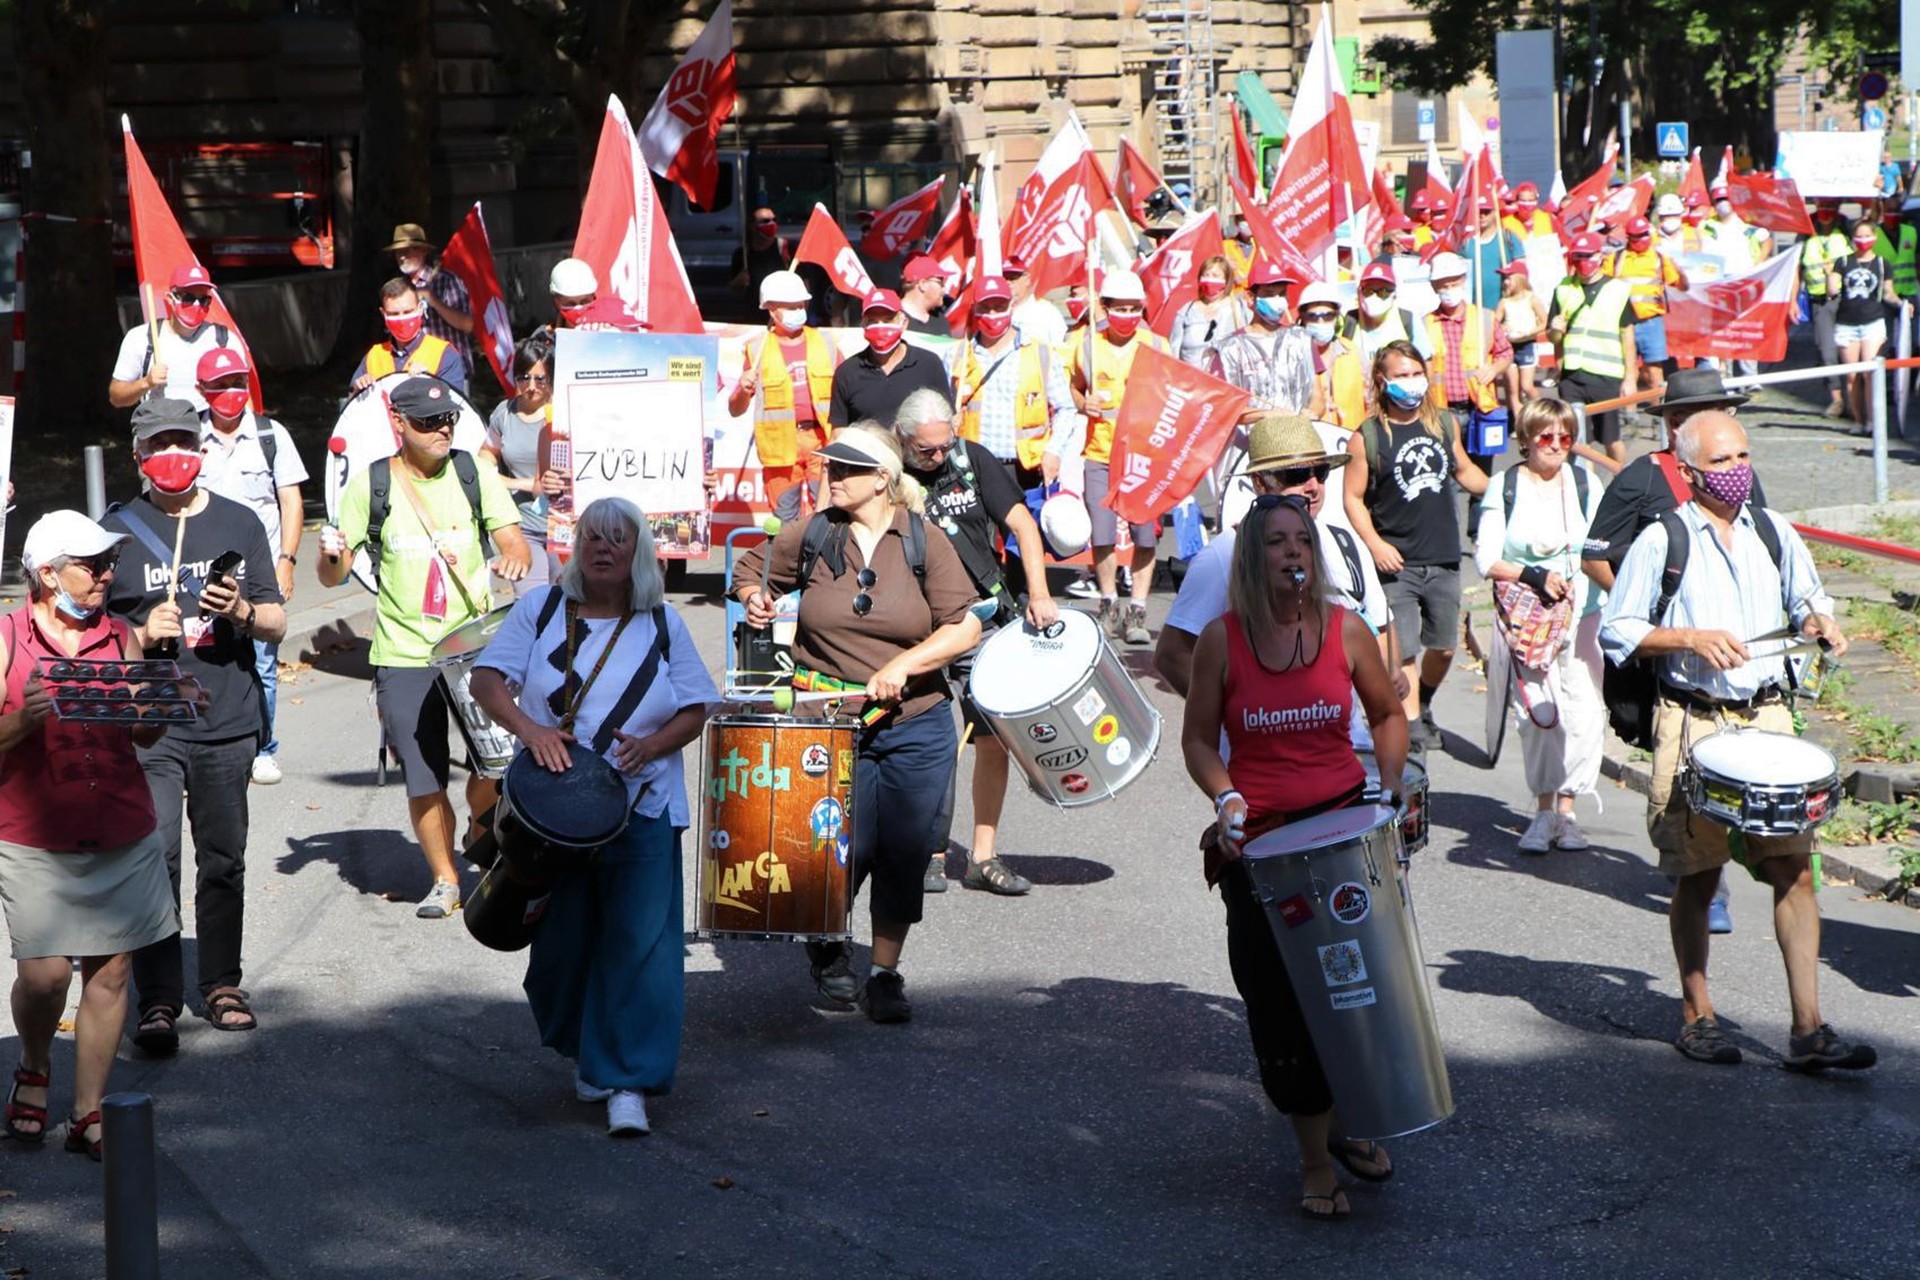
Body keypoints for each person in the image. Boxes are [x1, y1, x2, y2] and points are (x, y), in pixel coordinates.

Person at [1598, 411, 1873, 1073]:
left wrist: (1820, 622)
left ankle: (1808, 1030)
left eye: (1744, 454)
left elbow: (1811, 598)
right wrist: (1690, 638)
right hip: (1694, 721)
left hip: (1768, 718)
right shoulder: (1663, 539)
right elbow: (1618, 629)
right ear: (1689, 470)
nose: (1738, 469)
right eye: (1722, 461)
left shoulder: (1774, 531)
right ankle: (1698, 1015)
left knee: (1793, 872)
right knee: (1698, 873)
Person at [1180, 493, 1409, 1221]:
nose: (1291, 554)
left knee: (1351, 996)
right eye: (1276, 542)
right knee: (1279, 1007)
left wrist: (1394, 789)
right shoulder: (1221, 640)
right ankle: (1315, 1161)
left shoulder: (1347, 632)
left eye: (1301, 542)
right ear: (1252, 558)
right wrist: (1225, 798)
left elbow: (1387, 713)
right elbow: (1196, 740)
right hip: (1260, 849)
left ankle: (1341, 1118)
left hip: (1342, 839)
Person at [470, 498, 717, 1137]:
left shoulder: (661, 622)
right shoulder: (542, 609)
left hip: (644, 806)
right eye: (592, 537)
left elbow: (696, 705)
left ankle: (626, 1081)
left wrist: (654, 746)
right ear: (576, 546)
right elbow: (487, 679)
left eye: (617, 539)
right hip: (553, 815)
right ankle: (586, 1046)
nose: (603, 548)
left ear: (638, 553)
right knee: (561, 945)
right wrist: (530, 731)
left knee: (640, 946)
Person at [733, 425, 984, 1022]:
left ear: (882, 480)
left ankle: (885, 973)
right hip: (828, 722)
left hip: (915, 721)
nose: (832, 477)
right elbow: (749, 568)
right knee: (838, 846)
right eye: (830, 467)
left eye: (845, 469)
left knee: (902, 850)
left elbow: (966, 625)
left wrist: (905, 665)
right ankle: (827, 945)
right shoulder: (817, 531)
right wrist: (753, 597)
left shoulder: (924, 541)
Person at [103, 398, 288, 1050]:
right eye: (160, 444)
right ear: (137, 455)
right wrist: (134, 630)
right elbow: (85, 629)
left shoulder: (238, 522)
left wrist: (239, 608)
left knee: (223, 860)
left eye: (183, 440)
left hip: (227, 716)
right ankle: (156, 999)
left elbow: (277, 620)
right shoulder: (116, 530)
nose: (173, 454)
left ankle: (220, 982)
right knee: (155, 859)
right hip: (150, 725)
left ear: (202, 448)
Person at [0, 512, 184, 1161]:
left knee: (110, 973)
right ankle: (33, 1060)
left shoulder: (121, 636)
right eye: (93, 563)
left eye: (109, 563)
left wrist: (160, 710)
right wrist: (21, 718)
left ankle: (87, 1113)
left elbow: (142, 733)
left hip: (119, 824)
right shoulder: (6, 637)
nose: (107, 574)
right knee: (47, 976)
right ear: (48, 573)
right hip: (33, 831)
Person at [317, 375, 532, 918]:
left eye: (448, 421)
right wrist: (331, 554)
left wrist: (513, 559)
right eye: (427, 423)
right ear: (398, 425)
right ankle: (445, 878)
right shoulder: (372, 485)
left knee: (498, 765)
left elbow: (515, 542)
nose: (442, 431)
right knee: (424, 775)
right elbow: (333, 575)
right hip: (403, 653)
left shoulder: (472, 471)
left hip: (474, 648)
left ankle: (481, 821)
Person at [1580, 366, 1763, 934]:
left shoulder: (1740, 474)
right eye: (1689, 413)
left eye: (1720, 410)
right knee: (1685, 768)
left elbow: (1762, 545)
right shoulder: (1641, 477)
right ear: (1672, 424)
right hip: (1668, 659)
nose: (1710, 423)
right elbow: (1594, 556)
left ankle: (1715, 866)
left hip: (1733, 657)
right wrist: (1646, 610)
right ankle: (1708, 884)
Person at [895, 390, 1058, 896]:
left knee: (992, 739)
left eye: (944, 446)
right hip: (916, 627)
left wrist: (1039, 592)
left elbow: (1022, 526)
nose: (938, 458)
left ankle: (982, 857)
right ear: (903, 441)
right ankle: (928, 851)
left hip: (982, 620)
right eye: (926, 451)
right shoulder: (888, 473)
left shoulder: (970, 459)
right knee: (932, 741)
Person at [1157, 414, 1396, 701]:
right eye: (1295, 475)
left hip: (1347, 741)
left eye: (1320, 472)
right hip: (1259, 745)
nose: (1313, 486)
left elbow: (1382, 633)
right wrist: (1230, 718)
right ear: (1260, 483)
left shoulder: (1346, 543)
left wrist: (1381, 708)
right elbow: (1172, 655)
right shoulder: (1225, 554)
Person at [1343, 341, 1490, 749]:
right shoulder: (1367, 437)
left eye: (1416, 373)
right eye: (1401, 376)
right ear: (1382, 381)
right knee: (1403, 651)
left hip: (1443, 557)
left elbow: (1464, 470)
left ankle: (1422, 701)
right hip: (1396, 563)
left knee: (1443, 648)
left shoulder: (1443, 424)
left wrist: (1503, 492)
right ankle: (1410, 727)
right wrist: (1374, 544)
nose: (1412, 383)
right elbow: (1352, 497)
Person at [1474, 399, 1606, 853]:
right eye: (1545, 437)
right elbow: (1486, 558)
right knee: (1540, 717)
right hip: (1530, 618)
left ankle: (1568, 811)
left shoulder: (1587, 483)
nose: (1555, 446)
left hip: (1585, 613)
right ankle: (1543, 809)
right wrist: (1533, 575)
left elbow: (1603, 547)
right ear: (1526, 439)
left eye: (1565, 438)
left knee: (1584, 712)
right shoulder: (1504, 485)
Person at [193, 347, 307, 787]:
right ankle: (205, 746)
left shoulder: (270, 434)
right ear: (203, 390)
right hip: (202, 573)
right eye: (219, 386)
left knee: (262, 663)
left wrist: (287, 561)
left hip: (260, 572)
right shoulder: (190, 437)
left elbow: (291, 501)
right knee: (203, 658)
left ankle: (263, 748)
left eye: (237, 383)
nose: (230, 393)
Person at [1070, 268, 1169, 646]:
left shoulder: (1157, 346)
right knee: (1103, 533)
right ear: (1104, 307)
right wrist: (1084, 403)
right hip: (1100, 453)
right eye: (1119, 308)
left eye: (1134, 309)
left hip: (1144, 456)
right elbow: (1075, 388)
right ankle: (1109, 602)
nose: (1127, 315)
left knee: (1145, 535)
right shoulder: (1087, 344)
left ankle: (1138, 609)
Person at [945, 274, 1080, 489]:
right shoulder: (957, 355)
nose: (992, 314)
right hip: (972, 467)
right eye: (985, 307)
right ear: (974, 309)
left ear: (1012, 306)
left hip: (1024, 470)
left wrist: (1054, 451)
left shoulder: (1040, 352)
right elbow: (945, 408)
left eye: (999, 307)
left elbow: (1066, 408)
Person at [730, 269, 841, 521]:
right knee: (784, 523)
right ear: (771, 310)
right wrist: (742, 390)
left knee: (829, 516)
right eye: (789, 307)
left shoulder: (826, 342)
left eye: (800, 305)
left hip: (822, 443)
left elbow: (847, 390)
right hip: (780, 449)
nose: (797, 311)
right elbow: (735, 409)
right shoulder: (757, 349)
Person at [1424, 251, 1513, 539]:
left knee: (1480, 472)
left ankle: (1478, 533)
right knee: (1446, 475)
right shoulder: (1427, 323)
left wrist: (1496, 367)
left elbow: (1505, 351)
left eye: (1452, 283)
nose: (1448, 290)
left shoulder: (1483, 319)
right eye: (1442, 285)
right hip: (1443, 410)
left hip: (1479, 409)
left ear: (1463, 281)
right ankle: (1447, 532)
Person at [481, 335, 565, 594]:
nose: (531, 386)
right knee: (532, 603)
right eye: (523, 378)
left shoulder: (565, 413)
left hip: (564, 526)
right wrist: (522, 483)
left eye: (540, 379)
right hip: (524, 523)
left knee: (568, 605)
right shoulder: (504, 414)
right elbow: (485, 457)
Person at [1547, 232, 1638, 466]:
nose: (1583, 262)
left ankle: (1620, 479)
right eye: (1577, 257)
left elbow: (1627, 336)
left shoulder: (1617, 290)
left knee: (1611, 439)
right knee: (1576, 439)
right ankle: (1585, 491)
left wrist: (1630, 379)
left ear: (1600, 256)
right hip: (1572, 377)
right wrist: (1555, 330)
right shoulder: (1563, 289)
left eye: (1587, 256)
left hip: (1606, 376)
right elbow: (1554, 336)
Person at [109, 264, 234, 412]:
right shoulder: (141, 338)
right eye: (188, 298)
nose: (196, 304)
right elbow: (116, 397)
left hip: (205, 430)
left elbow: (242, 393)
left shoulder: (224, 340)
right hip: (159, 430)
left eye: (203, 300)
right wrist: (146, 383)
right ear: (170, 298)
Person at [829, 288, 949, 432]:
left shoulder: (929, 364)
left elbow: (947, 421)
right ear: (863, 325)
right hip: (869, 453)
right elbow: (839, 433)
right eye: (873, 321)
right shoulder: (846, 373)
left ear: (904, 322)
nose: (880, 326)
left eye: (888, 320)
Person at [1604, 216, 1688, 400]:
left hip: (1651, 322)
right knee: (1628, 371)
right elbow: (1603, 284)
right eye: (1637, 236)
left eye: (1645, 235)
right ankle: (1630, 414)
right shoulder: (1616, 258)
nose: (1642, 239)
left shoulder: (1659, 257)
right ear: (1629, 237)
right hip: (1624, 322)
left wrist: (1683, 274)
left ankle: (1657, 413)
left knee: (1654, 372)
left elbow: (1680, 285)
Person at [351, 278, 469, 396]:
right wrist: (359, 389)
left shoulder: (444, 354)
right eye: (394, 314)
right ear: (384, 314)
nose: (402, 319)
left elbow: (453, 406)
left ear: (420, 309)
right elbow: (352, 406)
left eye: (408, 312)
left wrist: (431, 384)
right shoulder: (374, 355)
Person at [1830, 222, 1896, 429]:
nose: (1863, 240)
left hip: (1873, 322)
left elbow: (1888, 293)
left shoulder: (1883, 264)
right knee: (1852, 376)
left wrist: (1903, 305)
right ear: (1853, 239)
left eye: (1867, 235)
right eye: (1859, 236)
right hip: (1846, 323)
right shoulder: (1843, 262)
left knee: (1870, 372)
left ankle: (1872, 420)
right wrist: (1830, 283)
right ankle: (1857, 419)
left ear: (1874, 237)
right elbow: (1833, 286)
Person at [386, 222, 475, 371]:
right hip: (414, 371)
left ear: (423, 251)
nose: (402, 257)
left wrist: (434, 301)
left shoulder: (446, 280)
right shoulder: (399, 288)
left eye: (408, 250)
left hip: (450, 371)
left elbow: (468, 325)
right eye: (398, 252)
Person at [1800, 201, 1852, 419]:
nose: (1826, 214)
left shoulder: (1847, 231)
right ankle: (1837, 400)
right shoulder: (1806, 236)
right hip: (1819, 301)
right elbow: (1797, 268)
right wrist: (1794, 299)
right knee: (1826, 351)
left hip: (1845, 300)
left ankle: (1852, 400)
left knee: (1848, 351)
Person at [1300, 283, 1369, 432]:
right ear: (1302, 318)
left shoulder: (1352, 351)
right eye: (1313, 316)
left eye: (1328, 316)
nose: (1320, 322)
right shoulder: (1294, 355)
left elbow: (1370, 399)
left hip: (1352, 439)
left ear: (1337, 317)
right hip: (1313, 442)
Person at [1347, 261, 1434, 367]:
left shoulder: (1408, 319)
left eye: (1383, 292)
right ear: (1359, 292)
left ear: (1394, 294)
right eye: (1368, 291)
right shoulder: (1349, 321)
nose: (1374, 297)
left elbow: (1426, 362)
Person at [1169, 254, 1249, 366]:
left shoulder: (1239, 309)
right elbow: (1173, 353)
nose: (1210, 280)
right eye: (1206, 275)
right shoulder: (1186, 311)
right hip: (1192, 379)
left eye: (1215, 276)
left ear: (1226, 281)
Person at [547, 257, 647, 333]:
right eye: (571, 303)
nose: (578, 308)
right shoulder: (546, 338)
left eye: (584, 301)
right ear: (557, 301)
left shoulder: (609, 329)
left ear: (593, 297)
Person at [1495, 262, 1548, 404]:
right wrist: (1501, 329)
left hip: (1527, 345)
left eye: (1509, 277)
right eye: (1504, 278)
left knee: (1526, 386)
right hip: (1509, 346)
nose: (1506, 282)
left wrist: (1529, 332)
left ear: (1520, 278)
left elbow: (1544, 322)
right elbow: (1495, 323)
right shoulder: (1504, 301)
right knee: (1513, 389)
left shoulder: (1532, 298)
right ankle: (1517, 420)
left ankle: (1542, 408)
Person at [1463, 195, 1525, 309]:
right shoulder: (1466, 242)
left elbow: (1521, 274)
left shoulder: (1508, 238)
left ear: (1495, 212)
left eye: (1487, 212)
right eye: (1479, 212)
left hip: (1504, 308)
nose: (1482, 216)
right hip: (1472, 309)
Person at [730, 206, 796, 299]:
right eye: (765, 221)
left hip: (781, 308)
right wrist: (739, 281)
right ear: (752, 226)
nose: (771, 224)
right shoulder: (742, 254)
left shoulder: (787, 248)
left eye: (774, 220)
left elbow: (804, 280)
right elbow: (735, 289)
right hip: (754, 310)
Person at [1004, 255, 1067, 348]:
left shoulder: (1047, 312)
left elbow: (1060, 353)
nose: (1008, 282)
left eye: (1012, 277)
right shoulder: (993, 313)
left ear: (1027, 280)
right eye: (1003, 278)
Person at [899, 255, 949, 335]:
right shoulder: (892, 319)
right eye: (940, 283)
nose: (944, 289)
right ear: (923, 284)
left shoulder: (941, 321)